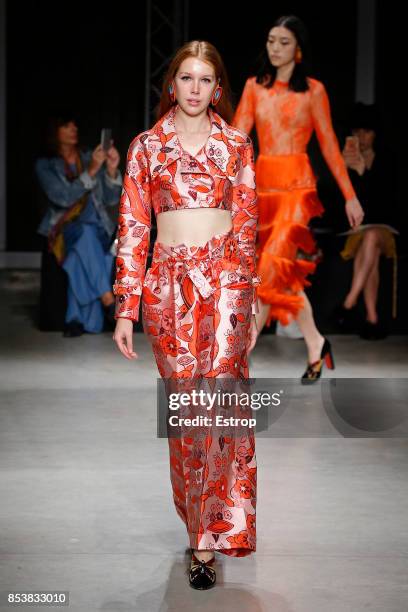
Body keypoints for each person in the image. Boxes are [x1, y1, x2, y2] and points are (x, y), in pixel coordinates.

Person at [112, 40, 260, 589]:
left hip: (224, 286)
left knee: (219, 411)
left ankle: (206, 541)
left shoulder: (237, 146)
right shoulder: (147, 148)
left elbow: (246, 227)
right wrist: (126, 306)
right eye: (186, 78)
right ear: (170, 85)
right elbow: (133, 226)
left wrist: (247, 300)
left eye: (205, 79)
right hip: (168, 289)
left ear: (217, 88)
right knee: (186, 418)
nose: (195, 89)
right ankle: (195, 518)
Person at [233, 15, 364, 382]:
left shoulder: (314, 91)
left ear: (299, 49)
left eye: (283, 42)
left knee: (269, 268)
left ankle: (240, 355)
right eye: (271, 40)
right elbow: (236, 140)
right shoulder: (254, 87)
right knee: (282, 277)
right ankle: (316, 344)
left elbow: (331, 148)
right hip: (262, 192)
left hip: (297, 192)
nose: (275, 48)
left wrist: (350, 196)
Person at [36, 113, 122, 336]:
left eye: (75, 124)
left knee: (83, 246)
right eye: (66, 124)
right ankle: (106, 299)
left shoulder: (87, 157)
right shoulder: (45, 166)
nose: (73, 127)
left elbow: (111, 199)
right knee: (85, 237)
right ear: (54, 131)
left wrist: (112, 170)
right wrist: (92, 170)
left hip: (97, 228)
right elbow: (62, 197)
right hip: (64, 232)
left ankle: (75, 318)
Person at [336, 102, 399, 339]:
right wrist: (344, 170)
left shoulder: (387, 159)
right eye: (359, 131)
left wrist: (364, 172)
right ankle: (372, 319)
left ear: (376, 133)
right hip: (359, 230)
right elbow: (342, 205)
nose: (362, 136)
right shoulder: (347, 161)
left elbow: (384, 204)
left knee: (371, 236)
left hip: (384, 228)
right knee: (367, 244)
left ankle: (349, 303)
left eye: (368, 131)